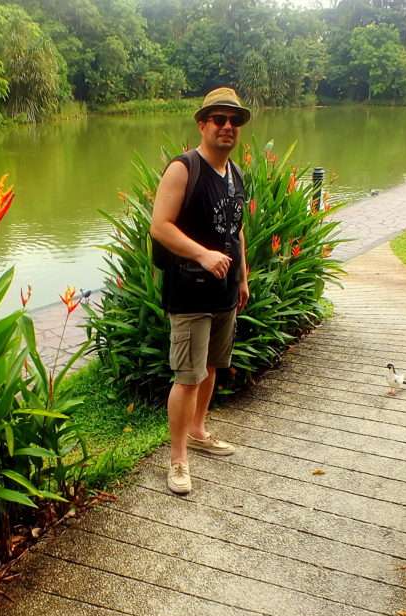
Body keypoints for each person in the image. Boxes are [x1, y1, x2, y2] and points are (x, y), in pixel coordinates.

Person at [149, 87, 250, 495]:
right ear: (203, 124)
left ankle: (198, 431)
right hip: (189, 290)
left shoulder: (235, 173)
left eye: (233, 121)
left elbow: (236, 227)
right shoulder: (183, 169)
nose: (227, 127)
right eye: (219, 119)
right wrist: (203, 255)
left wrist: (242, 276)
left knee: (211, 367)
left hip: (225, 291)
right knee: (188, 376)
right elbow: (160, 226)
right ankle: (177, 460)